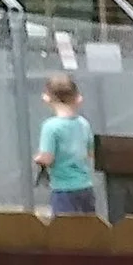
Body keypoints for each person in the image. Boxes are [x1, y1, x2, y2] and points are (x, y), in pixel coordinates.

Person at [34, 76, 99, 218]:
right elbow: (90, 152)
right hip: (85, 187)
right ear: (76, 97)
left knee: (64, 232)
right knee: (88, 229)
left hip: (63, 189)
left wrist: (38, 158)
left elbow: (47, 158)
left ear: (48, 98)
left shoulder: (50, 127)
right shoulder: (83, 123)